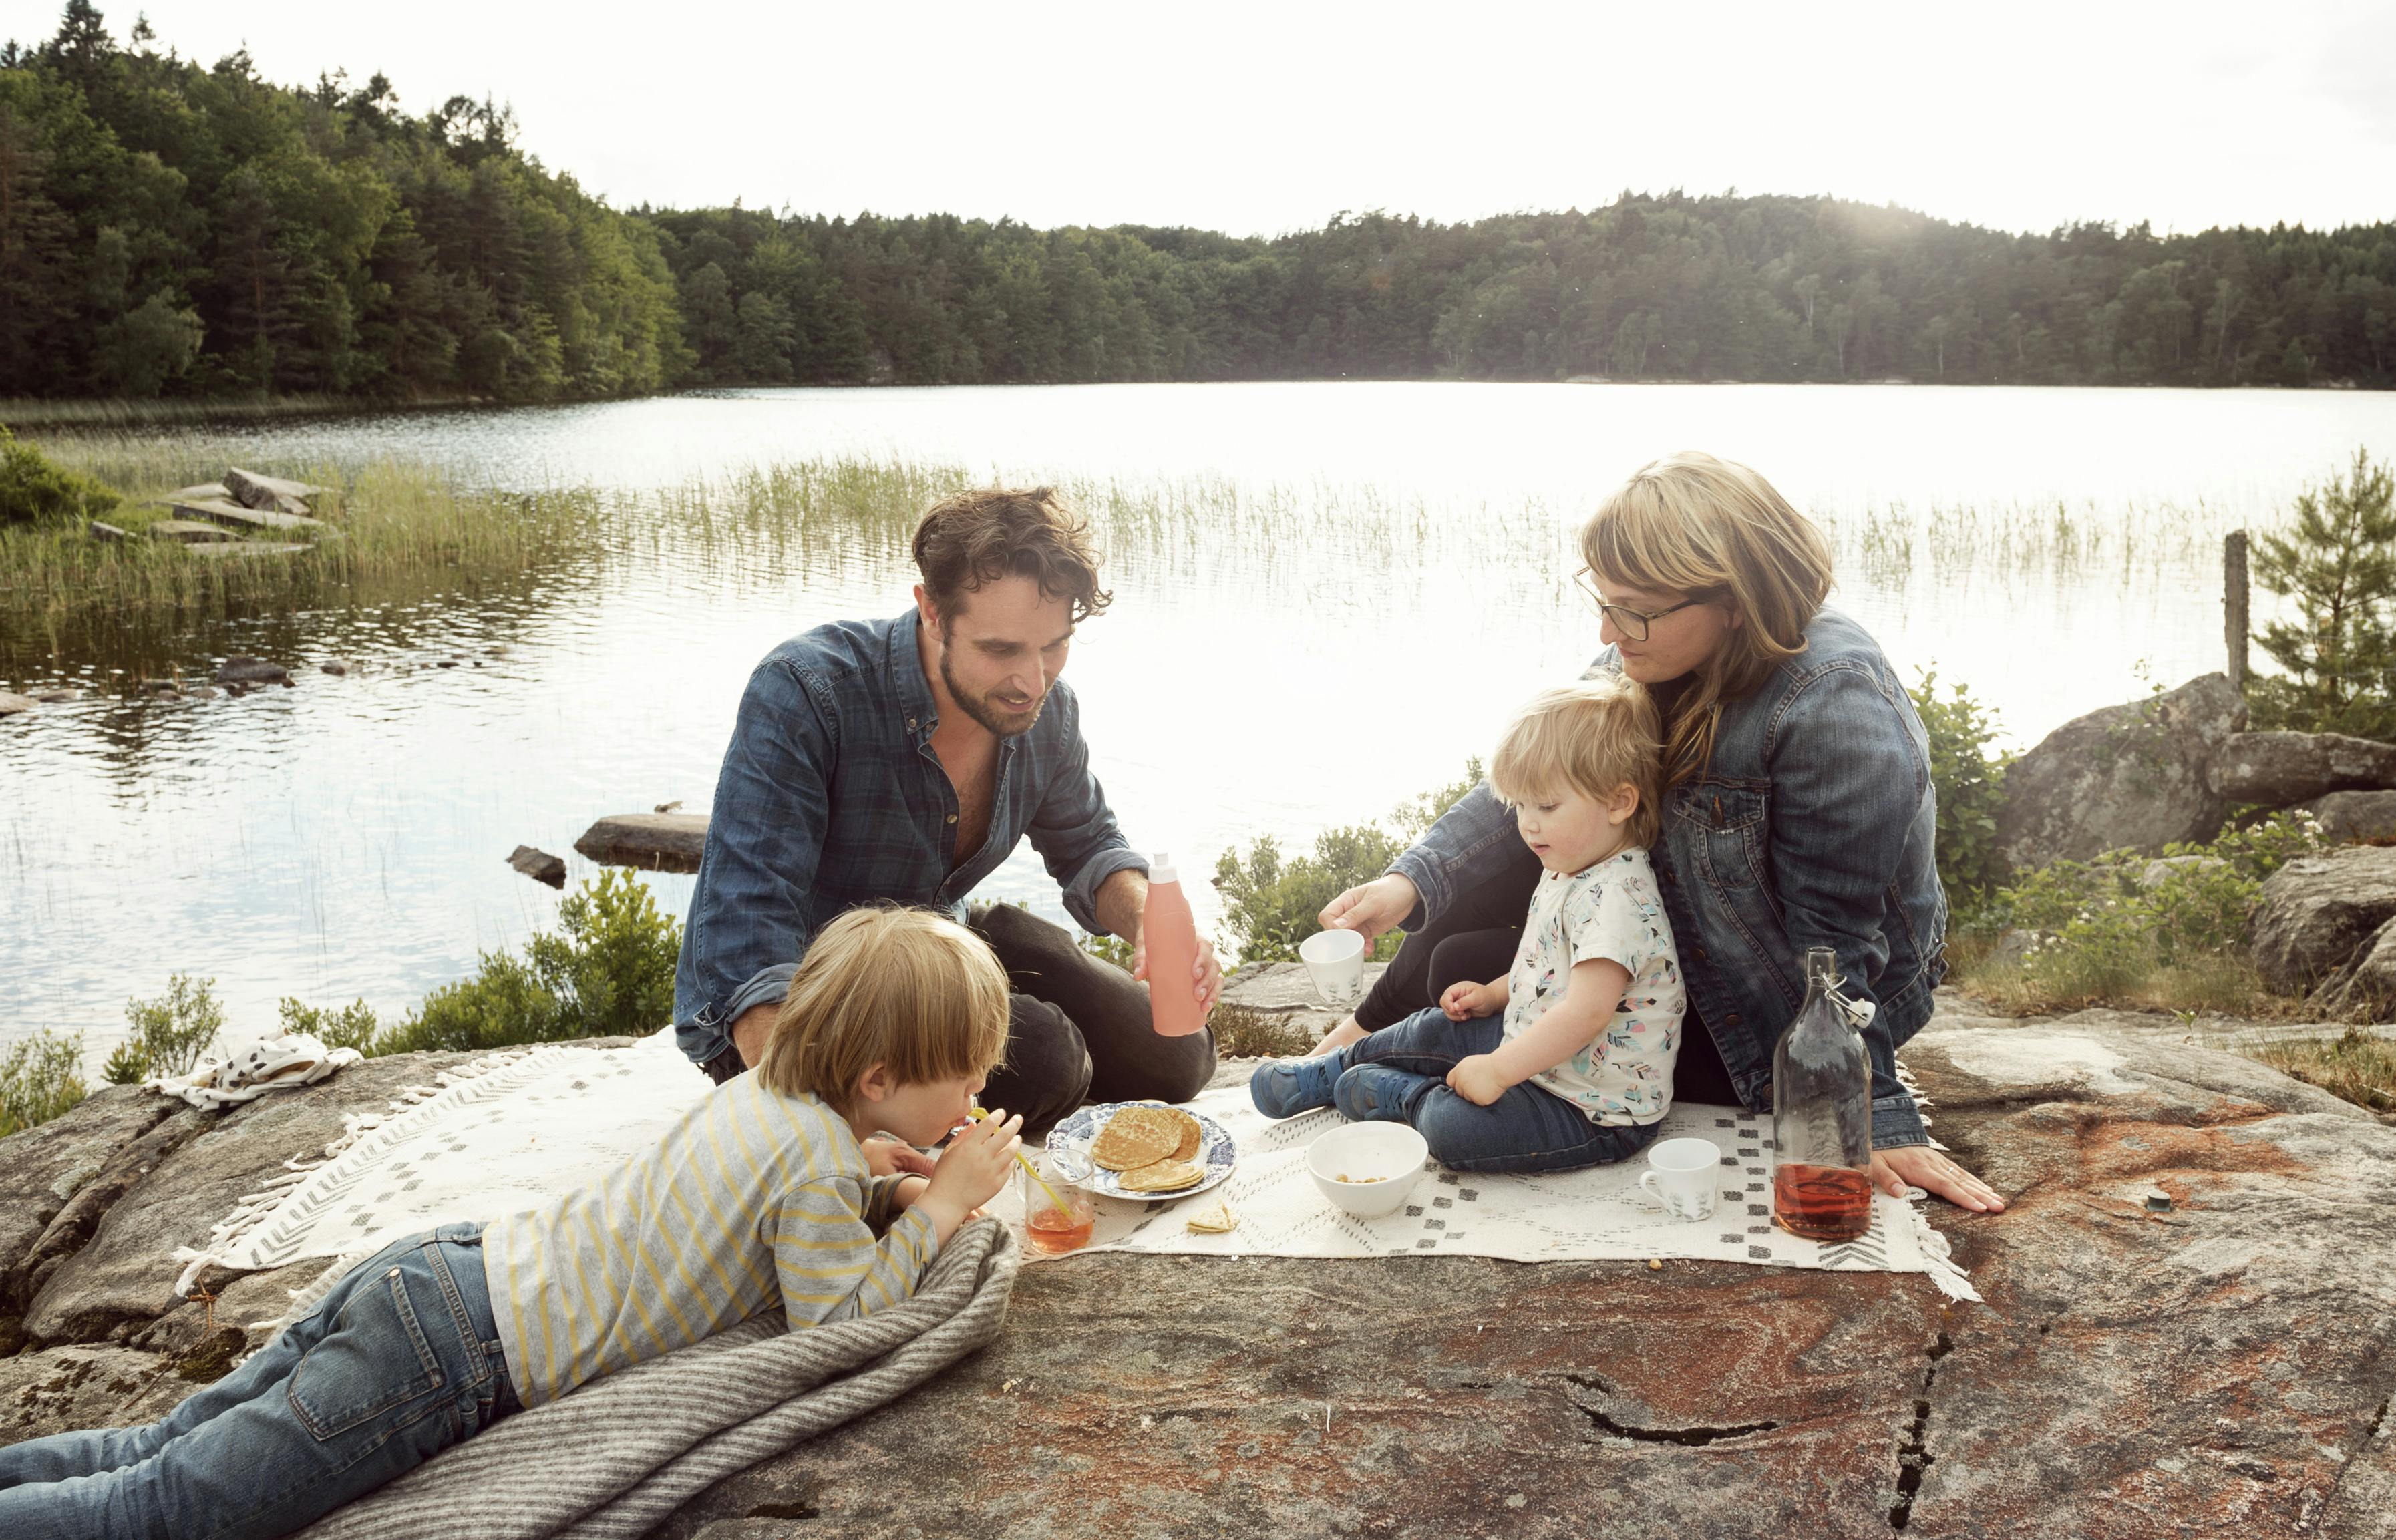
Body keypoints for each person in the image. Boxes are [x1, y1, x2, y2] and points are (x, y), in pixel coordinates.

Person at [0, 904, 1026, 1540]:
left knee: (169, 1438)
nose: (977, 1087)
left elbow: (771, 1200)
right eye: (965, 1071)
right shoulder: (814, 1163)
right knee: (167, 1512)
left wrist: (877, 1181)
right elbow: (836, 1312)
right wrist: (939, 1206)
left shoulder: (776, 1101)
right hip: (446, 1361)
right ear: (879, 1076)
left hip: (435, 1273)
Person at [1311, 452, 2006, 1213]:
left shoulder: (1834, 710)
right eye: (1603, 601)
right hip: (1687, 929)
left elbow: (1833, 941)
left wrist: (1860, 1109)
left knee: (1469, 963)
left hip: (1772, 991)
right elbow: (1545, 776)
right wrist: (1405, 881)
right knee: (1482, 897)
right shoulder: (1652, 646)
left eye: (1633, 609)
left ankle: (1390, 1073)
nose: (1609, 631)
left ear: (1735, 601)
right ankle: (1342, 1048)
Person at [671, 484, 1221, 1132]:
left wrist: (1147, 923)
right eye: (1001, 649)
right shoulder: (806, 692)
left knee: (1181, 1055)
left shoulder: (1047, 710)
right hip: (817, 1003)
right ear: (931, 611)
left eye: (1053, 645)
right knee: (1052, 1058)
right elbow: (748, 938)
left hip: (939, 944)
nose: (1032, 681)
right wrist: (815, 1132)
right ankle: (1005, 984)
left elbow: (1088, 845)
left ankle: (1003, 943)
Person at [1250, 678, 1683, 1171]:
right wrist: (1496, 995)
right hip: (1538, 1046)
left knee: (1457, 1130)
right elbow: (1551, 968)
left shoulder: (1617, 900)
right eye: (1520, 804)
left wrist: (1497, 1070)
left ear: (1618, 802)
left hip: (1589, 1107)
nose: (1528, 824)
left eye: (1546, 806)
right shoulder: (1570, 863)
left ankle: (1411, 1098)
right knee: (1434, 1026)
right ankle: (1330, 1070)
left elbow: (1586, 1012)